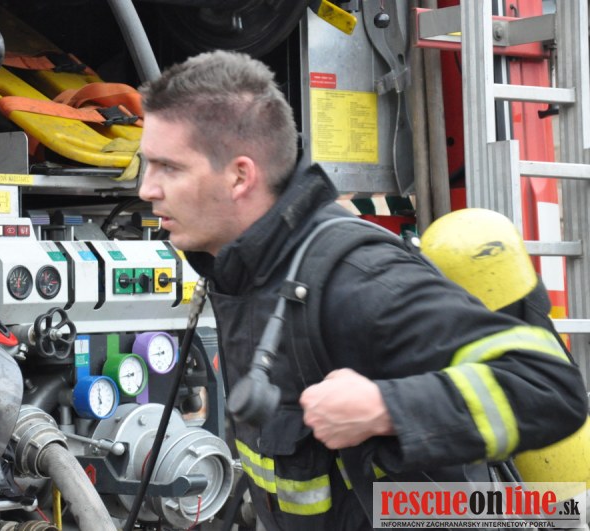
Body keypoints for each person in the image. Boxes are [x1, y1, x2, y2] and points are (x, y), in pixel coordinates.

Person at [136, 50, 588, 530]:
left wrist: (383, 408)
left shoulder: (357, 279)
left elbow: (549, 388)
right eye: (147, 165)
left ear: (240, 176)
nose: (147, 189)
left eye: (169, 168)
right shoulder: (246, 274)